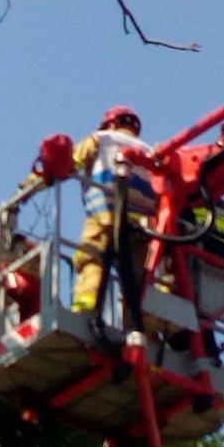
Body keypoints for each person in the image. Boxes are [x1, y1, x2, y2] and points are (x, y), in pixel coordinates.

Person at [67, 106, 157, 314]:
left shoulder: (101, 139)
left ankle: (86, 306)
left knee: (92, 257)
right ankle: (137, 325)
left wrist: (27, 187)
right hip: (143, 228)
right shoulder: (152, 154)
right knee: (136, 281)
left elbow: (66, 163)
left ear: (112, 124)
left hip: (105, 216)